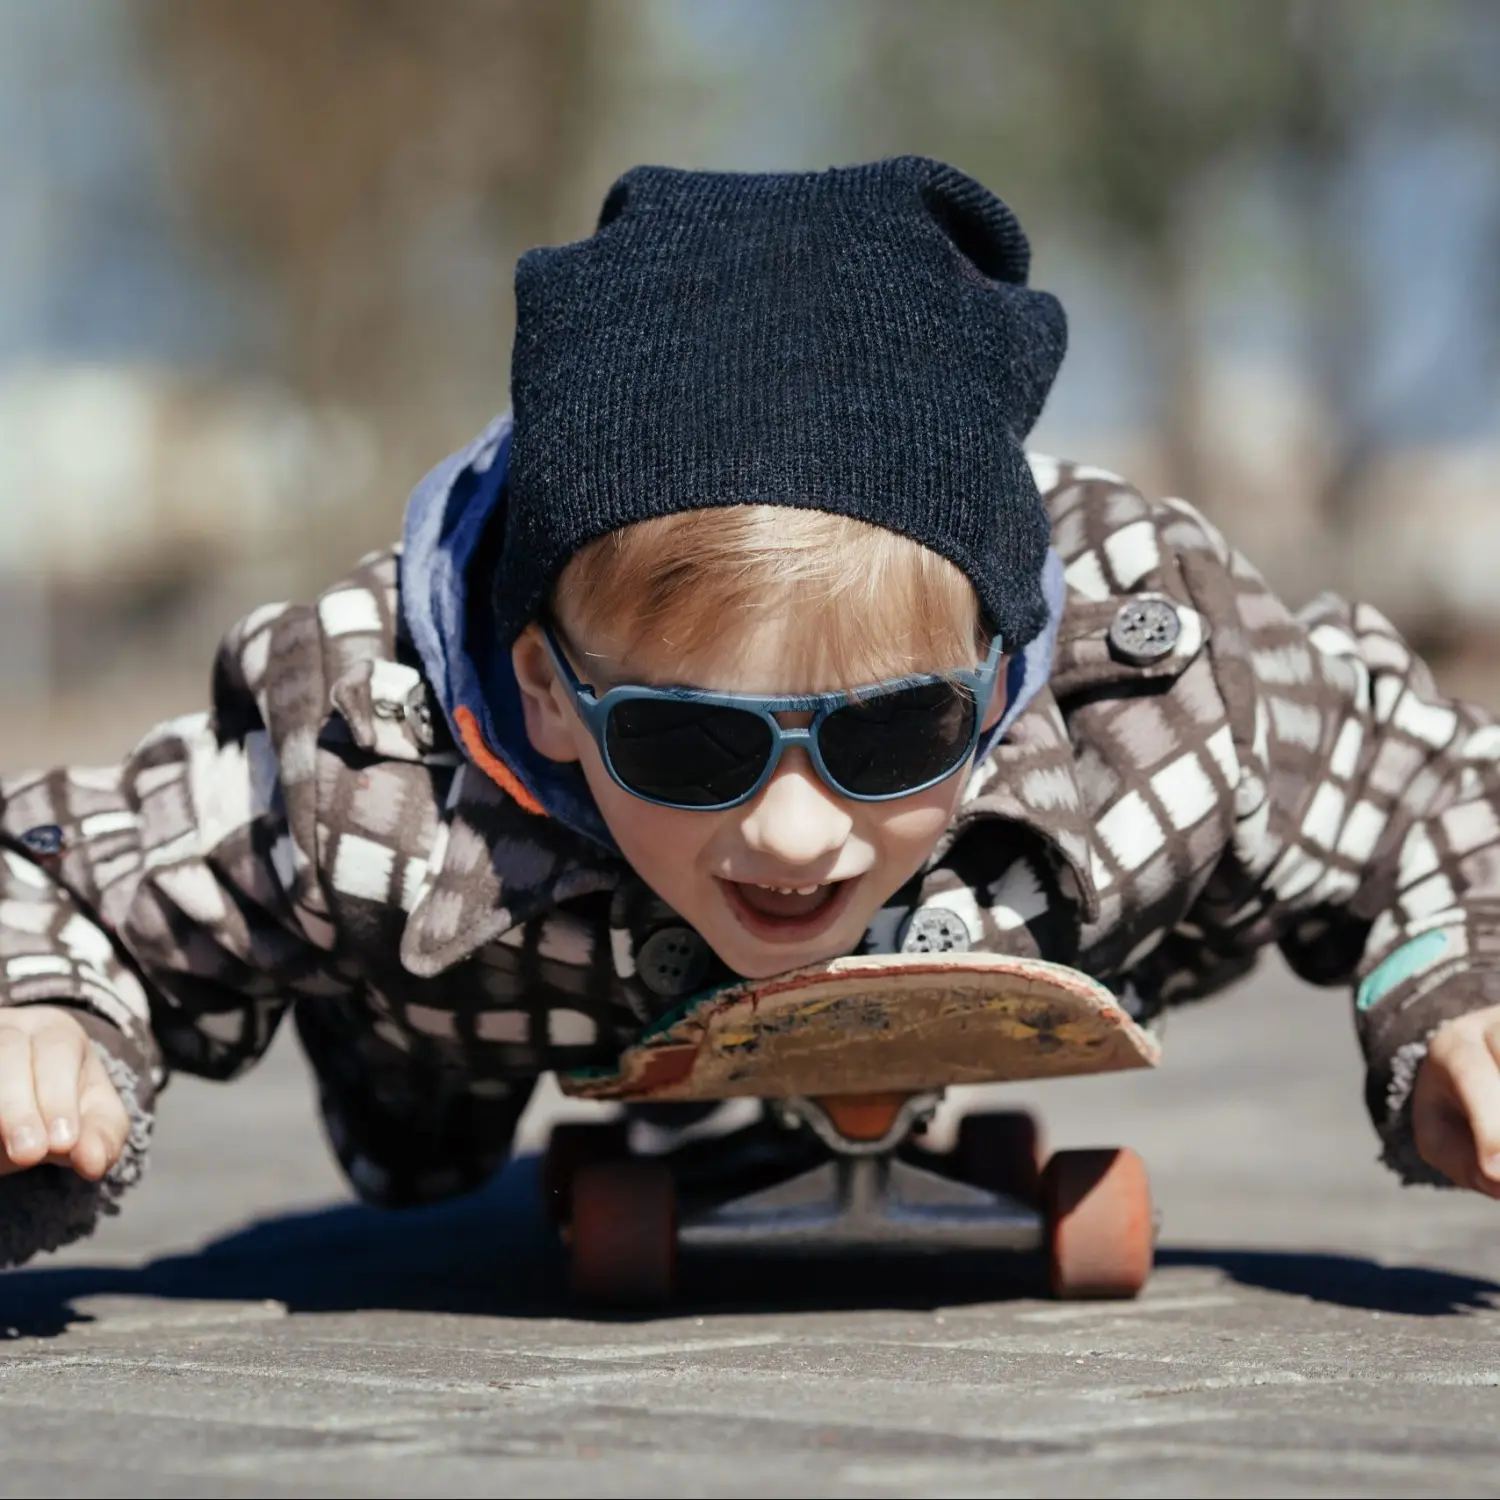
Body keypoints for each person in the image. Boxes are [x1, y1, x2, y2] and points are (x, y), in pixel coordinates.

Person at [3, 157, 1498, 1266]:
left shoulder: (1158, 692)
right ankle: (428, 1087)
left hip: (1010, 898)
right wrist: (48, 1029)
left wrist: (1458, 996)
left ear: (995, 675)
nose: (797, 827)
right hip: (491, 978)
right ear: (553, 694)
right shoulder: (363, 764)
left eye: (893, 731)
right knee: (417, 1154)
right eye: (693, 740)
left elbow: (1430, 787)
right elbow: (58, 874)